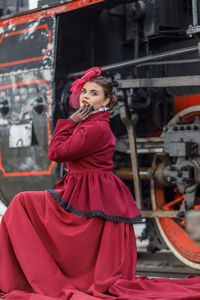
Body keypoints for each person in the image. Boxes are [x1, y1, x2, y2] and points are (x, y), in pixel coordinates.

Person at [0, 67, 200, 300]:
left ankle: (24, 277)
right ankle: (27, 275)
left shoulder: (95, 127)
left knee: (22, 203)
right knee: (23, 204)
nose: (85, 96)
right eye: (84, 91)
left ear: (107, 100)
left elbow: (56, 152)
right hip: (82, 190)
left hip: (85, 192)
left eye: (93, 93)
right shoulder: (92, 123)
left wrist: (70, 121)